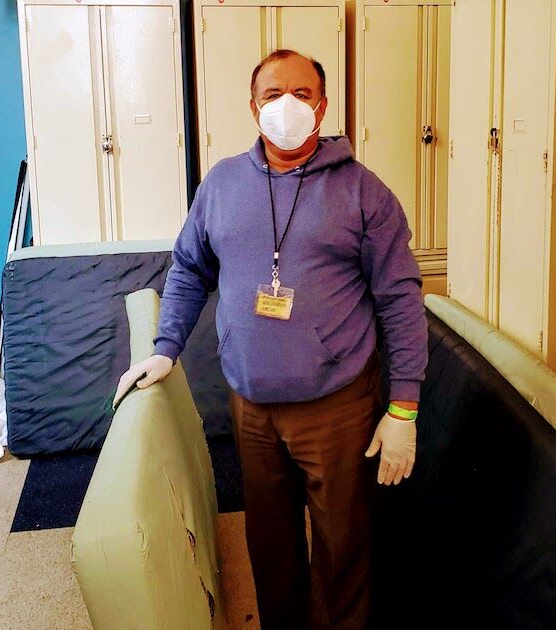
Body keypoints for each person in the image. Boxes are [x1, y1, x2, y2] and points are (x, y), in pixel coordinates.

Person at [115, 49, 428, 630]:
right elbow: (189, 269)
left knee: (342, 544)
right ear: (253, 107)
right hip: (252, 406)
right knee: (269, 540)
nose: (287, 105)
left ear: (323, 107)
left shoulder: (363, 192)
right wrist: (165, 348)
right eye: (273, 95)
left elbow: (400, 297)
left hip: (337, 405)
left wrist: (403, 408)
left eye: (302, 94)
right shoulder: (222, 184)